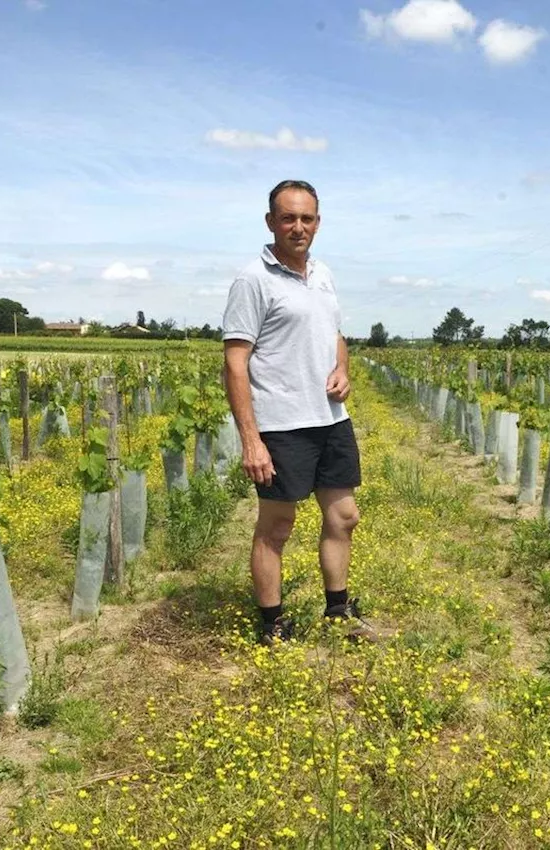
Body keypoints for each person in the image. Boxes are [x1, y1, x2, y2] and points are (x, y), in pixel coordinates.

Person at [221, 179, 370, 646]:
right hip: (282, 425)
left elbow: (336, 335)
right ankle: (272, 625)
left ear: (318, 223)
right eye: (288, 218)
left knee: (344, 516)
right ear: (271, 222)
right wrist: (251, 438)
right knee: (277, 526)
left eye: (307, 218)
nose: (298, 227)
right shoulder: (253, 279)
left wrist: (342, 368)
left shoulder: (323, 275)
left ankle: (338, 609)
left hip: (331, 419)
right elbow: (234, 362)